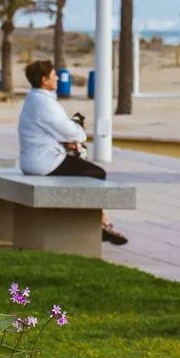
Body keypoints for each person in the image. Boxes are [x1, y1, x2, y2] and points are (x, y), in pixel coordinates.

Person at [17, 59, 127, 245]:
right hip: (43, 162)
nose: (58, 78)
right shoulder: (43, 103)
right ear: (44, 80)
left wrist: (68, 141)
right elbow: (68, 130)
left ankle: (101, 220)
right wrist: (79, 135)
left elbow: (52, 130)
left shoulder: (35, 99)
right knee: (96, 173)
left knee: (86, 171)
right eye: (53, 76)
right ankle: (96, 223)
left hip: (37, 159)